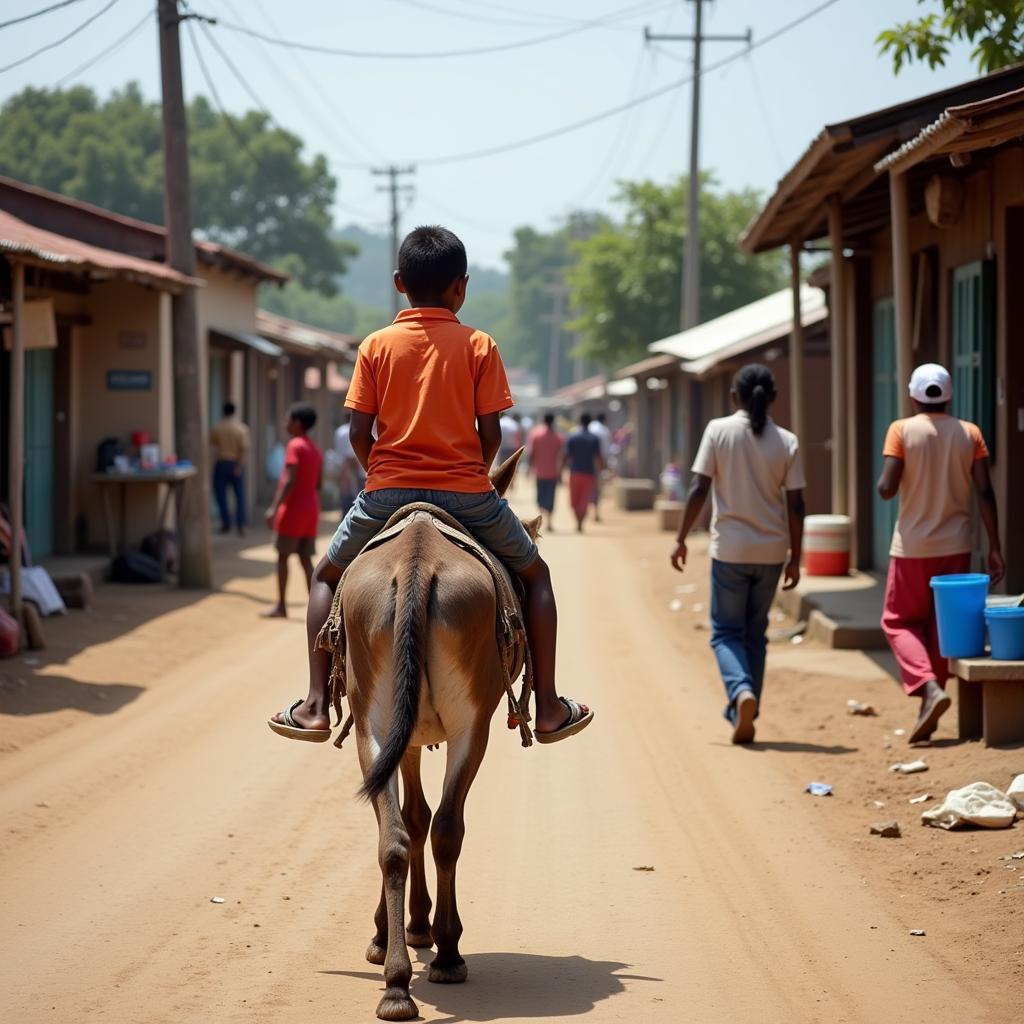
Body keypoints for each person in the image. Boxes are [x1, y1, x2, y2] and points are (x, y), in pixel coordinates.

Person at [268, 226, 591, 743]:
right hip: (468, 495)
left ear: (400, 283)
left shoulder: (375, 346)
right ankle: (548, 704)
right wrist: (472, 474)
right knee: (537, 575)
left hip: (386, 494)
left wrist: (383, 473)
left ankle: (313, 704)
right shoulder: (480, 345)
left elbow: (357, 432)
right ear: (461, 288)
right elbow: (492, 433)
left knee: (325, 577)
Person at [671, 364, 805, 745]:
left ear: (734, 396)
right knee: (754, 634)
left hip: (730, 550)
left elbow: (699, 487)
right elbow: (797, 505)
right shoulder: (787, 442)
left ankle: (741, 691)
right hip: (772, 552)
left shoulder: (718, 431)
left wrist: (681, 537)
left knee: (725, 633)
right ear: (773, 397)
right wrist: (796, 556)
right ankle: (746, 704)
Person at [877, 363, 1004, 744]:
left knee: (897, 622)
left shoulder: (901, 430)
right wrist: (994, 547)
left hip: (912, 548)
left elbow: (886, 487)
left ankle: (928, 688)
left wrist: (892, 477)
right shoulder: (970, 433)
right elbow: (984, 492)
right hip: (957, 547)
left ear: (913, 395)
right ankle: (929, 701)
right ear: (949, 395)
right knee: (938, 629)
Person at [262, 403, 323, 619]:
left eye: (287, 419)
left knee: (282, 558)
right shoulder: (315, 449)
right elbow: (318, 485)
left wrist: (274, 507)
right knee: (306, 561)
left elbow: (289, 480)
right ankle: (316, 610)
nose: (285, 423)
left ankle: (281, 606)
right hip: (311, 510)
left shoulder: (294, 445)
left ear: (297, 423)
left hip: (293, 511)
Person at [209, 401, 249, 536]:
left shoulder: (217, 427)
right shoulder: (241, 428)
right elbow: (243, 450)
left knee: (221, 495)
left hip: (221, 463)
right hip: (235, 463)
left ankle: (226, 523)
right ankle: (241, 524)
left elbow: (212, 446)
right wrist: (239, 466)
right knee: (239, 495)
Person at [564, 412, 603, 533]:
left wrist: (561, 469)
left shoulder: (572, 436)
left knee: (574, 500)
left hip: (575, 472)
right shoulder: (594, 438)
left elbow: (566, 456)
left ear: (580, 422)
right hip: (589, 473)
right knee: (584, 500)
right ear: (590, 422)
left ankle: (578, 522)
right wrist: (602, 469)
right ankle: (580, 522)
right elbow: (598, 457)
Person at [528, 413, 565, 532]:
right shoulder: (558, 437)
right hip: (553, 472)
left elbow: (531, 453)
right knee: (551, 497)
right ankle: (549, 522)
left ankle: (541, 519)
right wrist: (561, 472)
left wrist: (529, 467)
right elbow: (562, 456)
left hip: (539, 472)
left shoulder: (536, 434)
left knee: (540, 497)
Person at [333, 412, 365, 515]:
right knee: (354, 496)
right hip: (351, 468)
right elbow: (350, 456)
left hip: (341, 467)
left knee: (344, 495)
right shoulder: (350, 430)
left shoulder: (339, 431)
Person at [588, 411, 612, 522]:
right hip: (599, 463)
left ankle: (586, 511)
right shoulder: (605, 431)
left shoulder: (590, 427)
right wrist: (605, 467)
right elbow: (606, 451)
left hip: (586, 463)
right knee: (598, 489)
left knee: (588, 488)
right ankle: (596, 512)